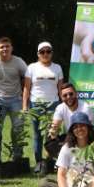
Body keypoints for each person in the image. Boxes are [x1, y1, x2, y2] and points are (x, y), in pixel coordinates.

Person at [23, 42, 64, 173]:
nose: (45, 54)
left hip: (53, 104)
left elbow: (61, 88)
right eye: (42, 52)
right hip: (36, 104)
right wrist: (25, 105)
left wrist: (63, 105)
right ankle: (38, 162)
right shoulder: (32, 67)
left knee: (51, 135)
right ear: (38, 54)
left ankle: (49, 161)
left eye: (48, 51)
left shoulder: (57, 68)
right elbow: (26, 88)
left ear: (51, 53)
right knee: (37, 135)